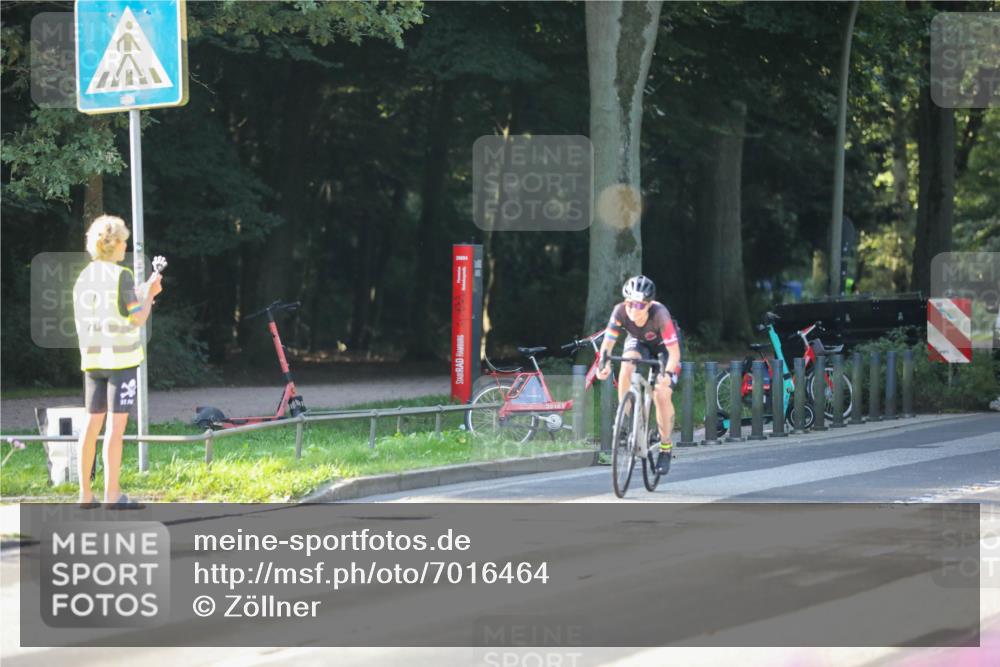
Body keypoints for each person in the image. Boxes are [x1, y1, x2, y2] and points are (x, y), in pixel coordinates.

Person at [72, 215, 162, 508]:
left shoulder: (84, 276)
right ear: (114, 245)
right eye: (124, 241)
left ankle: (85, 494)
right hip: (121, 362)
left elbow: (111, 310)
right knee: (115, 429)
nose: (126, 245)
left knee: (91, 425)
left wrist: (140, 295)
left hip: (92, 360)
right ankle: (113, 495)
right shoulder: (120, 275)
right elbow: (137, 316)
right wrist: (151, 294)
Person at [596, 275, 681, 475]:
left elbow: (675, 353)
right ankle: (628, 419)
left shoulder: (660, 315)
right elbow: (607, 345)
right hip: (638, 342)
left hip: (665, 350)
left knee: (661, 394)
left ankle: (666, 447)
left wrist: (667, 373)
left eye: (640, 305)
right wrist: (604, 363)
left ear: (649, 304)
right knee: (626, 367)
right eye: (630, 303)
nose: (634, 309)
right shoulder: (619, 311)